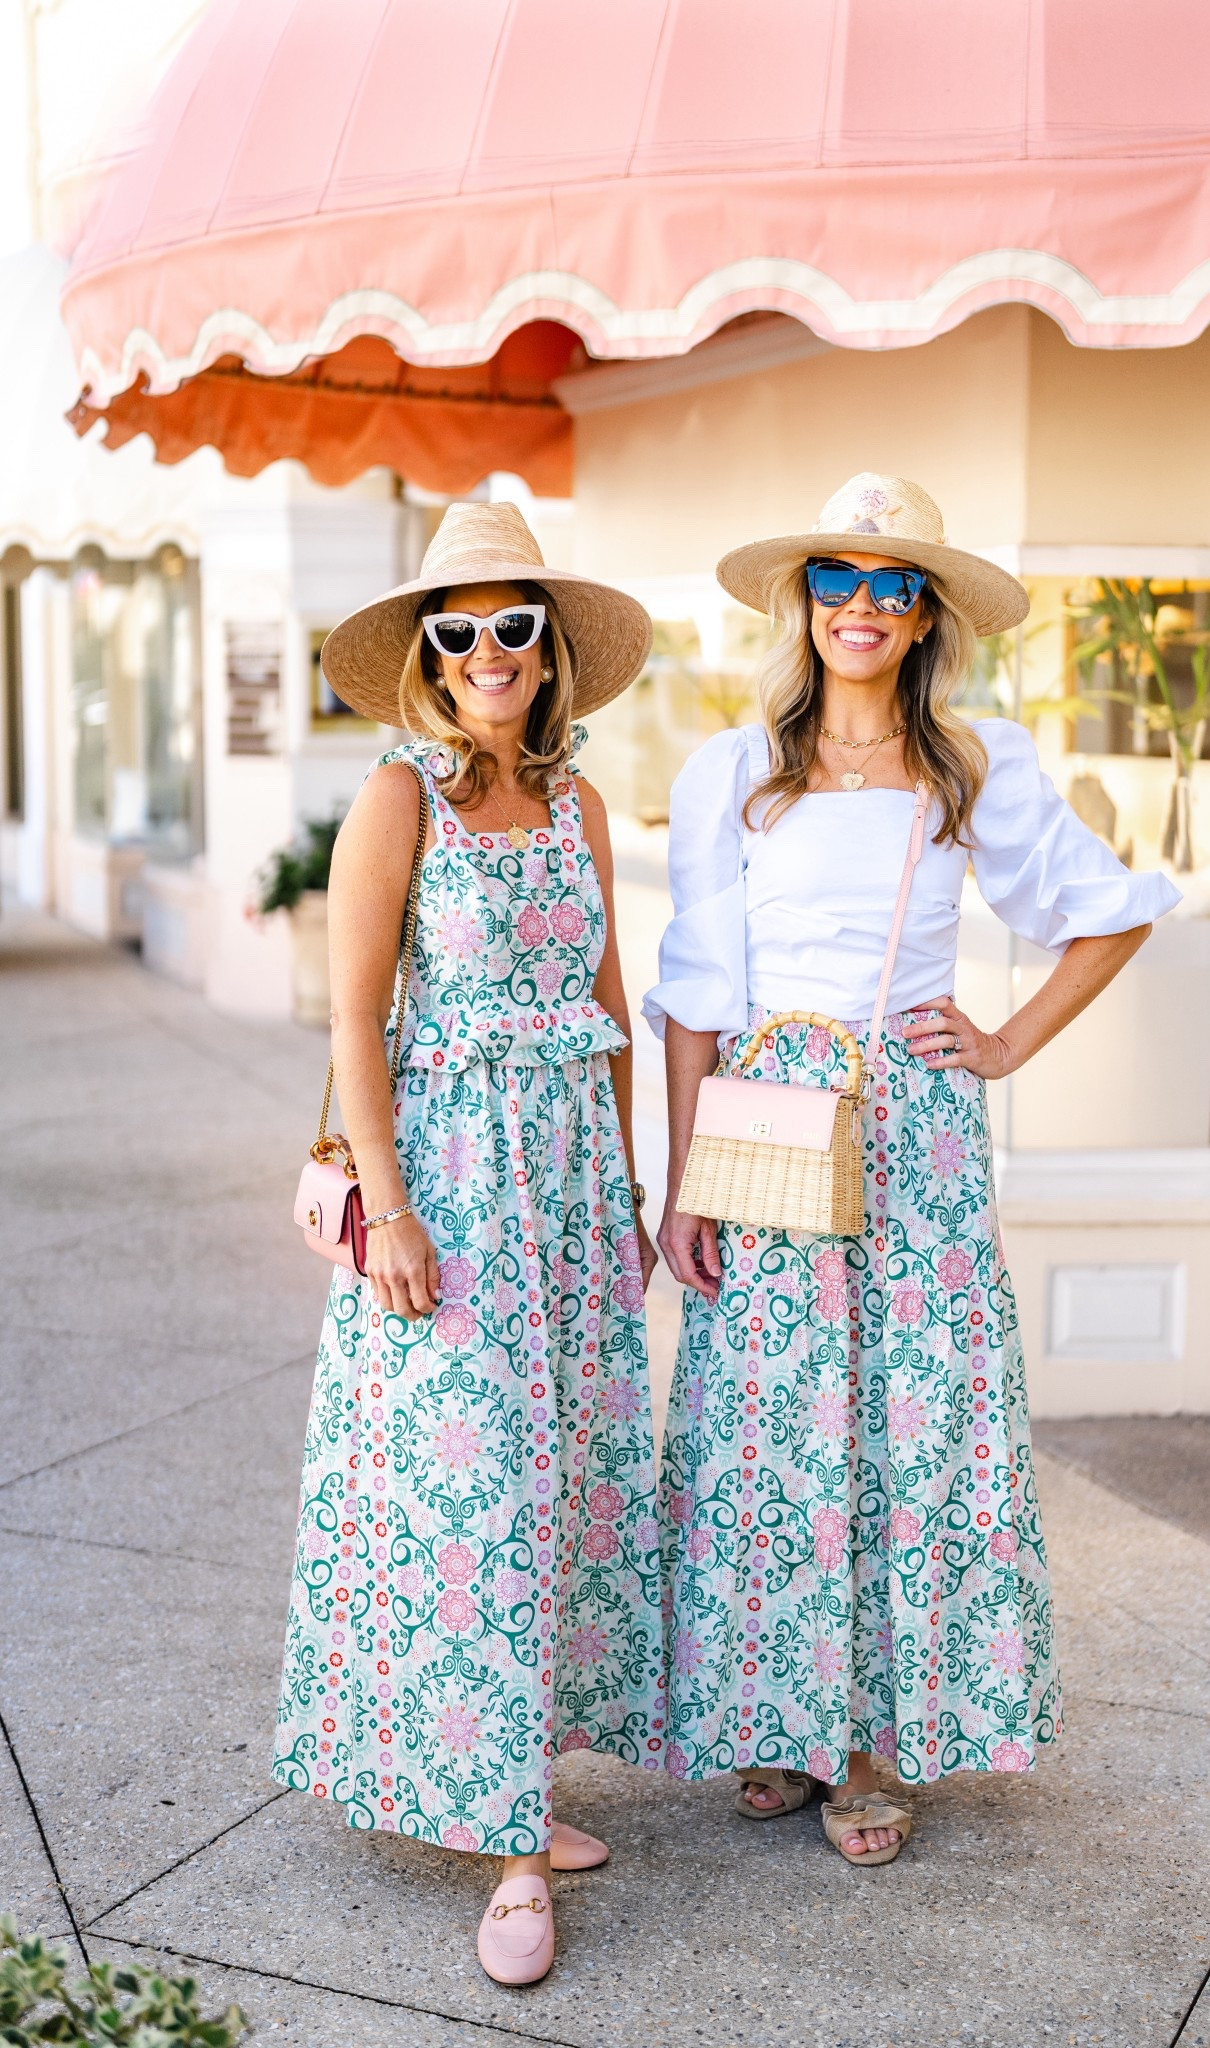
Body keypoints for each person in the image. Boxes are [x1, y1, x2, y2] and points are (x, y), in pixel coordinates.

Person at [648, 474, 1180, 1865]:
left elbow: (1110, 914)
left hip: (915, 1141)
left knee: (908, 1427)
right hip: (768, 1121)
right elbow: (696, 990)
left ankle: (874, 1743)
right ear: (804, 600)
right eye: (840, 579)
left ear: (927, 614)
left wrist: (1004, 1043)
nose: (866, 607)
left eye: (895, 586)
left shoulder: (971, 765)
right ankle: (782, 1717)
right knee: (766, 1422)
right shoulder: (732, 772)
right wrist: (684, 1175)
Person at [274, 503, 666, 1984]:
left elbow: (607, 1005)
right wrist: (388, 1205)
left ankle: (512, 1782)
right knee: (473, 1496)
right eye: (459, 630)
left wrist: (626, 1191)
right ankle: (509, 1852)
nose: (488, 651)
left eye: (514, 626)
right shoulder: (397, 798)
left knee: (558, 1485)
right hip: (447, 1183)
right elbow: (352, 1018)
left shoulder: (580, 804)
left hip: (569, 1190)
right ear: (429, 655)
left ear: (547, 650)